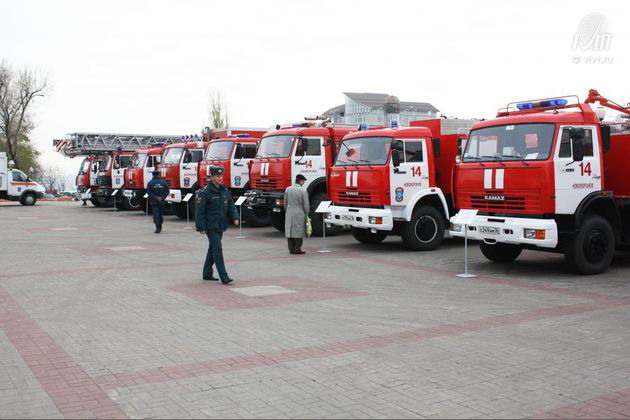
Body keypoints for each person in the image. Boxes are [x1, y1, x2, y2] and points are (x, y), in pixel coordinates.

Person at [195, 165, 239, 284]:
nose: (220, 178)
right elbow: (199, 211)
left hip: (221, 225)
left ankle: (207, 273)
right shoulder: (205, 192)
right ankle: (224, 276)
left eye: (221, 176)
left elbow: (230, 204)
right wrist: (200, 227)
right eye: (217, 176)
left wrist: (235, 217)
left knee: (212, 249)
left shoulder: (224, 190)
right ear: (212, 177)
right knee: (218, 250)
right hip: (210, 226)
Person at [284, 174, 309, 254]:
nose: (303, 183)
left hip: (289, 211)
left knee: (290, 230)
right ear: (301, 181)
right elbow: (306, 204)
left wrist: (287, 210)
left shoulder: (288, 189)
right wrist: (307, 212)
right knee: (299, 231)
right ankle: (297, 249)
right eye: (303, 181)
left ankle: (291, 249)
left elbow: (285, 202)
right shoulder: (303, 191)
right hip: (299, 211)